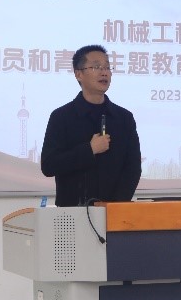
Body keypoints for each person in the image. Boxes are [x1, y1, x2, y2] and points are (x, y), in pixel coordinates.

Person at [41, 44, 141, 207]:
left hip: (114, 212)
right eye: (96, 67)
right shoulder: (61, 117)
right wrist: (89, 150)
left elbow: (133, 168)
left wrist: (115, 206)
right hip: (72, 213)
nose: (104, 72)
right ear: (78, 74)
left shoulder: (124, 118)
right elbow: (49, 166)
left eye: (107, 67)